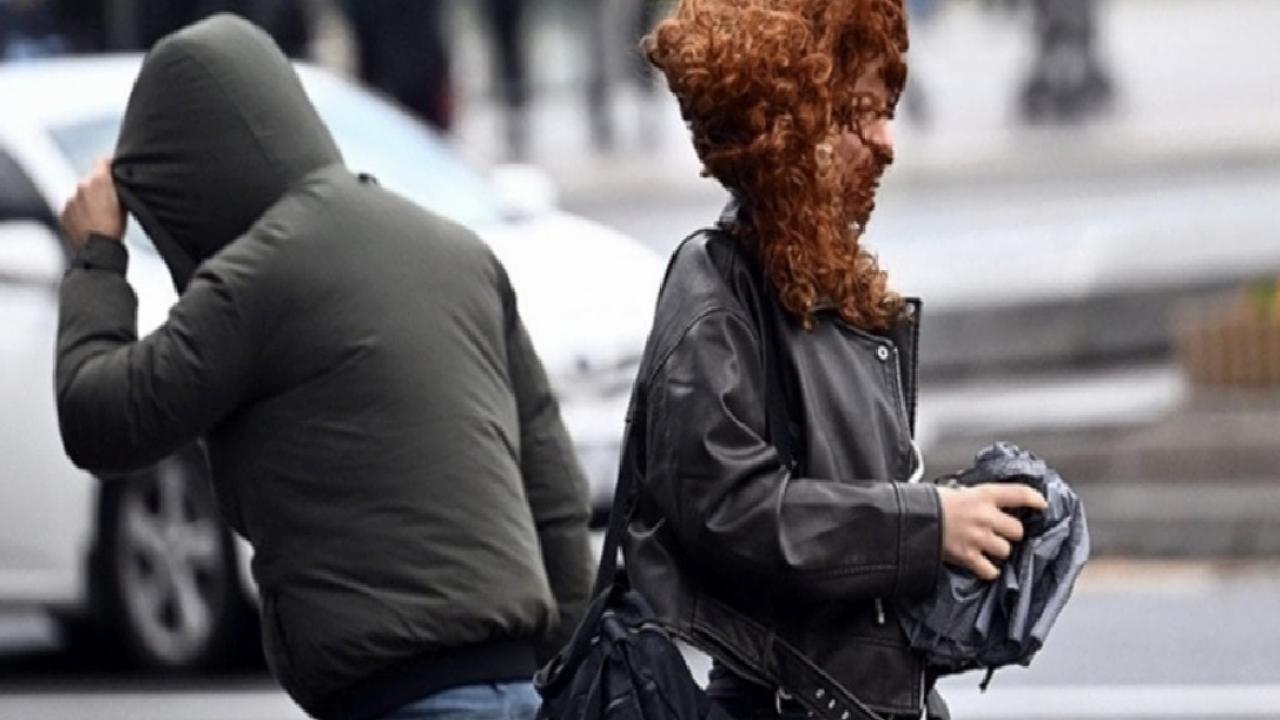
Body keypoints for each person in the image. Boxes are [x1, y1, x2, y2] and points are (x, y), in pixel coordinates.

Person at [54, 15, 592, 720]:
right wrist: (562, 683)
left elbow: (99, 419)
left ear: (191, 180)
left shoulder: (257, 278)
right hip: (518, 687)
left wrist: (98, 255)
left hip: (402, 697)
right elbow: (553, 491)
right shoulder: (457, 250)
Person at [622, 1, 1048, 719]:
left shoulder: (832, 285)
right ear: (791, 128)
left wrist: (966, 520)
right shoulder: (719, 289)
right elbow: (730, 511)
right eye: (860, 114)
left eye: (889, 112)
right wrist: (930, 524)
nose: (887, 142)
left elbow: (847, 512)